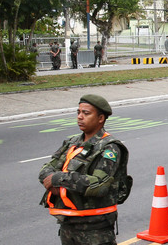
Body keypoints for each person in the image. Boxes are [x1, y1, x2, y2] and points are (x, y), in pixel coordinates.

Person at [39, 94, 132, 245]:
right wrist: (54, 180)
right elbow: (46, 170)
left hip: (95, 229)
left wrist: (58, 180)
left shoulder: (110, 148)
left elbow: (98, 185)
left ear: (100, 118)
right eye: (78, 112)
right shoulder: (72, 143)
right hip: (68, 225)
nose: (80, 117)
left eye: (86, 113)